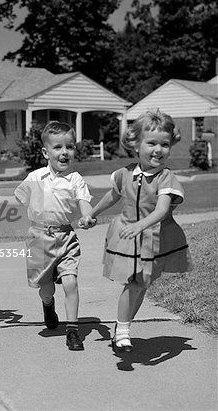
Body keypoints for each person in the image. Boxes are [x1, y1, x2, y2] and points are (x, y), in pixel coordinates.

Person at [79, 109, 192, 353]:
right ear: (135, 144)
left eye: (164, 144)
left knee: (140, 285)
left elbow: (162, 210)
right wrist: (91, 214)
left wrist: (141, 225)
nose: (158, 150)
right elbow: (113, 196)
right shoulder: (124, 174)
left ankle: (122, 328)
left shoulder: (166, 178)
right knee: (134, 283)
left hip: (153, 239)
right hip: (127, 237)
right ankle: (122, 332)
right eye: (151, 143)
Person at [14, 121, 93, 351]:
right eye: (58, 147)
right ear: (45, 152)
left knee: (70, 281)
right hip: (39, 238)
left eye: (69, 147)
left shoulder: (76, 179)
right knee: (46, 288)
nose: (64, 152)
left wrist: (87, 217)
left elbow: (85, 204)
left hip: (67, 237)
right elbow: (17, 201)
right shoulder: (34, 178)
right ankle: (48, 304)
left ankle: (72, 331)